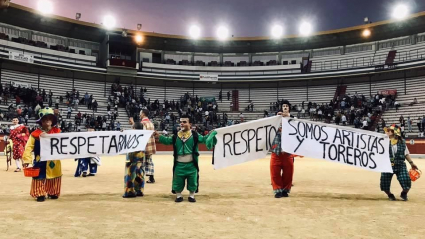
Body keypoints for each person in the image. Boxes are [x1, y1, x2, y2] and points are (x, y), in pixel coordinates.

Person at [157, 115, 215, 203]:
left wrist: (212, 134)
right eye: (181, 122)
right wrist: (158, 136)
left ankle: (191, 195)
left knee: (193, 180)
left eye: (184, 122)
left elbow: (204, 139)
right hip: (179, 164)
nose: (182, 124)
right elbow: (167, 141)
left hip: (192, 164)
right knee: (177, 180)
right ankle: (178, 195)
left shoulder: (195, 135)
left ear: (190, 124)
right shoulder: (176, 135)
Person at [23, 107, 62, 202]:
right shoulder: (35, 134)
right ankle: (40, 193)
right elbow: (28, 147)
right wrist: (27, 159)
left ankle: (53, 192)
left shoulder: (58, 132)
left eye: (49, 118)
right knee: (39, 176)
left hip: (54, 160)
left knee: (54, 175)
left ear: (52, 121)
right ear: (41, 121)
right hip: (40, 159)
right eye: (45, 119)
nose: (47, 121)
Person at [380, 125, 419, 201]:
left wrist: (411, 163)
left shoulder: (402, 142)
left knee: (406, 180)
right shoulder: (383, 141)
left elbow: (406, 153)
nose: (387, 132)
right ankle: (390, 195)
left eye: (389, 130)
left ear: (395, 132)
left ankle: (404, 193)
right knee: (384, 182)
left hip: (400, 164)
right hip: (387, 165)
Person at [270, 101, 295, 198]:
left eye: (286, 106)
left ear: (289, 108)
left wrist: (288, 116)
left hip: (287, 151)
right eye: (283, 106)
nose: (285, 107)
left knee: (288, 172)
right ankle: (277, 191)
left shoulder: (293, 119)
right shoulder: (276, 119)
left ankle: (285, 190)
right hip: (276, 149)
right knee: (275, 171)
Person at [123, 122, 146, 198]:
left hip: (131, 157)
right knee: (140, 173)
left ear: (134, 128)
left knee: (130, 173)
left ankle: (130, 191)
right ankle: (139, 190)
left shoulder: (132, 136)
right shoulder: (144, 135)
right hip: (141, 157)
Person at [140, 109, 157, 183]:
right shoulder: (151, 123)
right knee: (149, 161)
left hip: (144, 145)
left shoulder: (143, 123)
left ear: (143, 114)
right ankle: (151, 177)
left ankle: (140, 177)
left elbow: (140, 134)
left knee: (141, 162)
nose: (139, 115)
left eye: (140, 113)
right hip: (151, 145)